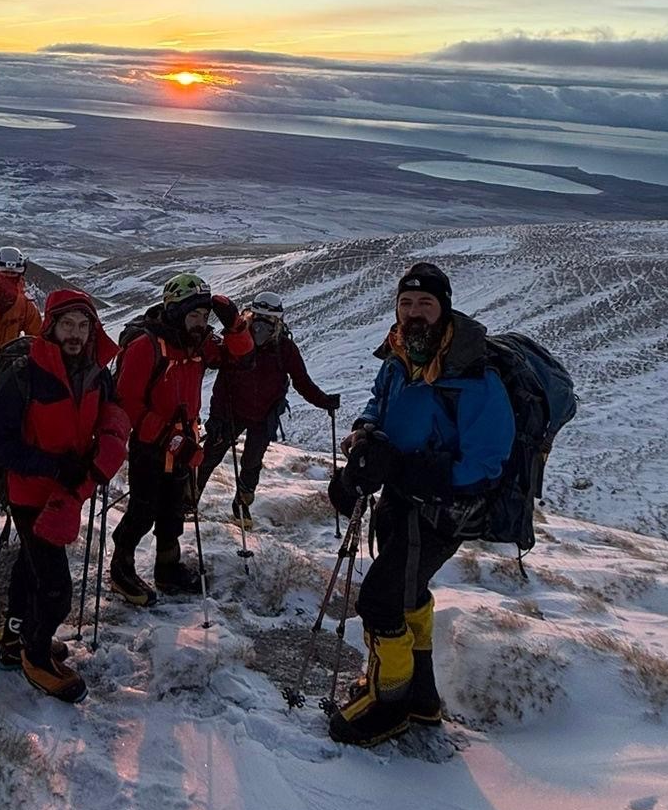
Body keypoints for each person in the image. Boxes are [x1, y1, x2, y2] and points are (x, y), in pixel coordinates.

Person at [326, 262, 514, 747]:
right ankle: (421, 696)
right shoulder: (399, 356)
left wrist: (412, 471)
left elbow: (488, 461)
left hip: (442, 511)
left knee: (381, 600)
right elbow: (379, 402)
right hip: (402, 501)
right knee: (407, 595)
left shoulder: (474, 375)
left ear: (443, 308)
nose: (414, 313)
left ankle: (388, 705)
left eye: (425, 304)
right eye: (406, 303)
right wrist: (367, 438)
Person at [0, 290, 129, 701]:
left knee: (30, 570)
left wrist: (105, 446)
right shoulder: (25, 375)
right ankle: (36, 654)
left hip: (68, 492)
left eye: (84, 326)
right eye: (68, 325)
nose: (76, 334)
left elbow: (112, 409)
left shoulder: (96, 373)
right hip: (31, 495)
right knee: (55, 588)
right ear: (50, 326)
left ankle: (18, 640)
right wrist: (52, 465)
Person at [108, 273, 253, 606]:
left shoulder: (199, 344)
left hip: (185, 441)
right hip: (151, 445)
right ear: (174, 312)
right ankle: (121, 569)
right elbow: (126, 401)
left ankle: (167, 567)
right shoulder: (147, 346)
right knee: (143, 510)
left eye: (204, 316)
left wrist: (234, 324)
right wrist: (166, 437)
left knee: (174, 509)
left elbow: (240, 359)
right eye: (193, 315)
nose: (201, 323)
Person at [197, 291, 340, 529]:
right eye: (258, 317)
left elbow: (301, 381)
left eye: (268, 319)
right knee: (211, 455)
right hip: (232, 411)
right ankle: (190, 499)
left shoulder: (285, 349)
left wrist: (323, 401)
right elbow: (220, 380)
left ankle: (241, 504)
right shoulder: (239, 341)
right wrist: (216, 417)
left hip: (263, 415)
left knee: (251, 462)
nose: (261, 325)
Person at [0, 246, 43, 347]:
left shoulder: (25, 306)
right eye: (5, 273)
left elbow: (38, 340)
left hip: (8, 359)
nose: (9, 277)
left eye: (13, 273)